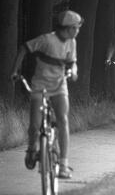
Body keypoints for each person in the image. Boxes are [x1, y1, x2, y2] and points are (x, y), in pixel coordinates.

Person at [10, 10, 83, 179]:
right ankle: (31, 149)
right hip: (40, 86)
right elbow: (24, 48)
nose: (78, 30)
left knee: (63, 120)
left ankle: (63, 164)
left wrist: (73, 71)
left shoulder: (72, 42)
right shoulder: (46, 40)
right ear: (68, 28)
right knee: (35, 125)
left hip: (59, 86)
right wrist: (14, 71)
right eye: (76, 27)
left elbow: (73, 63)